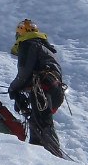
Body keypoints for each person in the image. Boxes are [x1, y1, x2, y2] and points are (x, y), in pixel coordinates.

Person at [7, 19, 66, 148]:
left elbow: (24, 73)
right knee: (39, 123)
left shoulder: (28, 44)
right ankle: (46, 152)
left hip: (42, 88)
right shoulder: (46, 48)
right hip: (56, 91)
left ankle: (52, 156)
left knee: (41, 127)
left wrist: (13, 89)